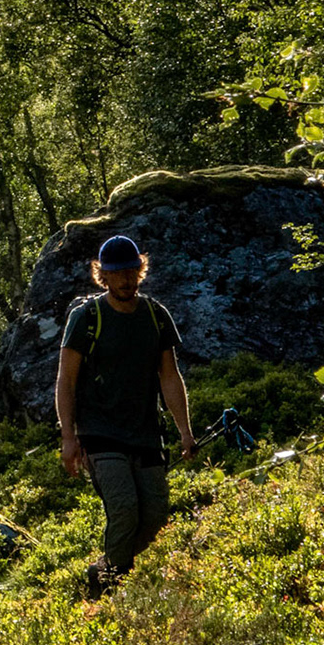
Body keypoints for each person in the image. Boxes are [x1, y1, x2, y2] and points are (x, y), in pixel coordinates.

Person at [55, 234, 194, 594]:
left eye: (132, 271)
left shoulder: (155, 315)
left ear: (140, 271)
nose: (126, 280)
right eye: (117, 274)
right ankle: (107, 590)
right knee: (124, 509)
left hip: (146, 433)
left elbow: (169, 376)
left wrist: (185, 432)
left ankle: (107, 569)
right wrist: (69, 439)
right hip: (100, 434)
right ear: (103, 276)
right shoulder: (86, 318)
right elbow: (66, 380)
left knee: (156, 518)